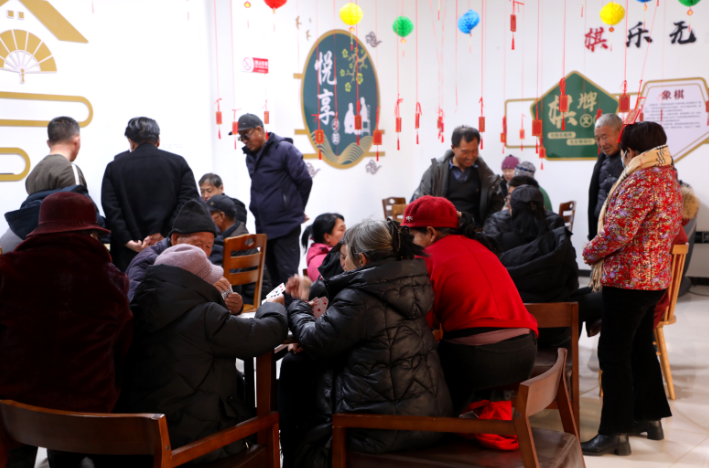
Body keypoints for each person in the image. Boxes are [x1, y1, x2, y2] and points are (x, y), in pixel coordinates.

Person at [279, 219, 453, 468]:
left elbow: (317, 341)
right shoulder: (410, 283)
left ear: (361, 260)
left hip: (381, 429)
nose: (343, 264)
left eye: (345, 257)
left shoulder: (360, 295)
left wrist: (297, 306)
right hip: (430, 416)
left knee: (295, 371)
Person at [0, 192, 132, 468]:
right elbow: (121, 345)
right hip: (82, 411)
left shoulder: (8, 269)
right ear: (91, 233)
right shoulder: (112, 278)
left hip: (14, 407)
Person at [126, 244, 288, 464]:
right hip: (196, 442)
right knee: (268, 419)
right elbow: (264, 335)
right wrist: (272, 307)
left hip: (143, 441)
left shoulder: (138, 305)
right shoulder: (204, 316)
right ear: (195, 282)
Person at [581, 122, 682, 456]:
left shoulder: (641, 179)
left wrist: (590, 251)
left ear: (630, 151)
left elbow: (618, 232)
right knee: (640, 348)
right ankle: (648, 418)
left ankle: (615, 432)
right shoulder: (667, 175)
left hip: (628, 280)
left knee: (613, 354)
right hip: (653, 279)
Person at [402, 196, 538, 413]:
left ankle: (442, 425)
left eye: (411, 237)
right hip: (525, 354)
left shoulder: (425, 257)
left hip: (479, 360)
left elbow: (421, 326)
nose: (410, 245)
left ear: (431, 232)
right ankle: (482, 415)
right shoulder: (482, 246)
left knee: (418, 367)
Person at [495, 185, 603, 343]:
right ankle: (572, 344)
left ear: (511, 211)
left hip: (516, 324)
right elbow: (572, 283)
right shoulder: (557, 242)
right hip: (555, 327)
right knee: (609, 295)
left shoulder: (500, 243)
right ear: (544, 210)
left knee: (588, 292)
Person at [101, 117, 200, 271]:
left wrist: (127, 240)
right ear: (158, 140)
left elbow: (111, 208)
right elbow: (189, 202)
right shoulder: (178, 163)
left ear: (131, 142)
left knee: (130, 285)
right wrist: (165, 233)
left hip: (127, 254)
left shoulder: (114, 168)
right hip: (170, 249)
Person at [123, 199, 242, 313]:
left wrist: (231, 304)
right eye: (197, 244)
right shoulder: (147, 262)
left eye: (209, 246)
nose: (203, 252)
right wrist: (204, 289)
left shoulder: (195, 258)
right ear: (175, 239)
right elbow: (140, 309)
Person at [238, 113, 313, 287]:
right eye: (241, 137)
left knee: (289, 278)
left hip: (285, 225)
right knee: (272, 280)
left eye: (246, 135)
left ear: (259, 130)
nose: (244, 141)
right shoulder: (250, 156)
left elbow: (305, 181)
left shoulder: (285, 149)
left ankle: (294, 306)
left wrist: (296, 209)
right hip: (263, 226)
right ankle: (277, 307)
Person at [1, 117, 93, 253]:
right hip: (62, 250)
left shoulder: (34, 174)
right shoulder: (70, 170)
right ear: (77, 140)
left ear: (48, 143)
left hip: (36, 248)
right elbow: (79, 219)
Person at [413, 125, 504, 227]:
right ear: (453, 148)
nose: (470, 156)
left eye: (474, 151)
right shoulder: (436, 171)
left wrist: (486, 229)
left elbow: (497, 204)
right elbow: (421, 201)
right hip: (443, 230)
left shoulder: (486, 175)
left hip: (474, 231)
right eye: (465, 152)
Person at [207, 194, 271, 305]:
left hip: (247, 301)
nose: (208, 220)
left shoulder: (234, 243)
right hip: (251, 297)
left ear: (222, 216)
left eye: (210, 215)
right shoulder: (239, 233)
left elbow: (230, 285)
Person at [483, 175, 565, 238]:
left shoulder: (554, 222)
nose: (510, 203)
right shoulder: (497, 221)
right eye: (509, 197)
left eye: (515, 197)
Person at [588, 113, 624, 241]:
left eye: (605, 137)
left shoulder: (629, 158)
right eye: (597, 138)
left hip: (619, 232)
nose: (602, 143)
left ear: (619, 133)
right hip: (601, 229)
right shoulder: (602, 159)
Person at [301, 213, 346, 282]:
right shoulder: (318, 263)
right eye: (341, 229)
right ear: (327, 237)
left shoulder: (337, 255)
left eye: (345, 229)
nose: (346, 232)